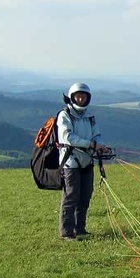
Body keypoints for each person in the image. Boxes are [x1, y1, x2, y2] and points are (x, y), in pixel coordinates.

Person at [57, 82, 110, 240]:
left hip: (87, 161)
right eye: (78, 96)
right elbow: (68, 137)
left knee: (85, 196)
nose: (81, 99)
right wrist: (91, 144)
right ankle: (67, 232)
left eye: (84, 96)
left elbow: (96, 134)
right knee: (71, 196)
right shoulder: (65, 115)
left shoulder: (90, 118)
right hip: (71, 162)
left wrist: (99, 145)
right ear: (72, 97)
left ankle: (80, 228)